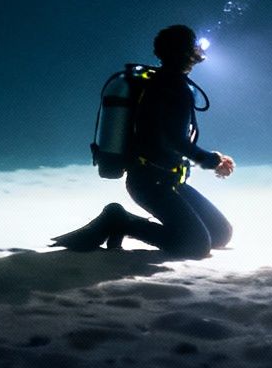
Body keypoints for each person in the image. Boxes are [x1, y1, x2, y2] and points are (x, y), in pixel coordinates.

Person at [50, 24, 235, 259]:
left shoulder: (162, 83)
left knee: (220, 234)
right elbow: (173, 139)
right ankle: (120, 220)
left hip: (169, 181)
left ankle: (128, 221)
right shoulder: (172, 88)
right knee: (196, 246)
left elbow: (169, 137)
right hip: (150, 185)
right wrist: (212, 160)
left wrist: (210, 158)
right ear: (188, 52)